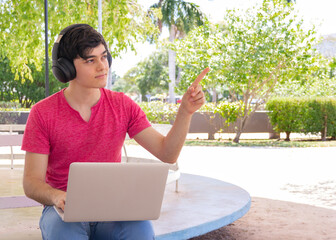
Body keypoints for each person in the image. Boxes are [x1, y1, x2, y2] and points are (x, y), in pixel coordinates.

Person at [22, 24, 208, 240]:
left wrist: (185, 112)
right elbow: (31, 183)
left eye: (104, 57)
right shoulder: (42, 113)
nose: (102, 66)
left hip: (113, 209)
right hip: (61, 212)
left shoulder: (123, 105)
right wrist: (56, 196)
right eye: (90, 60)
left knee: (141, 231)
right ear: (66, 69)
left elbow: (167, 153)